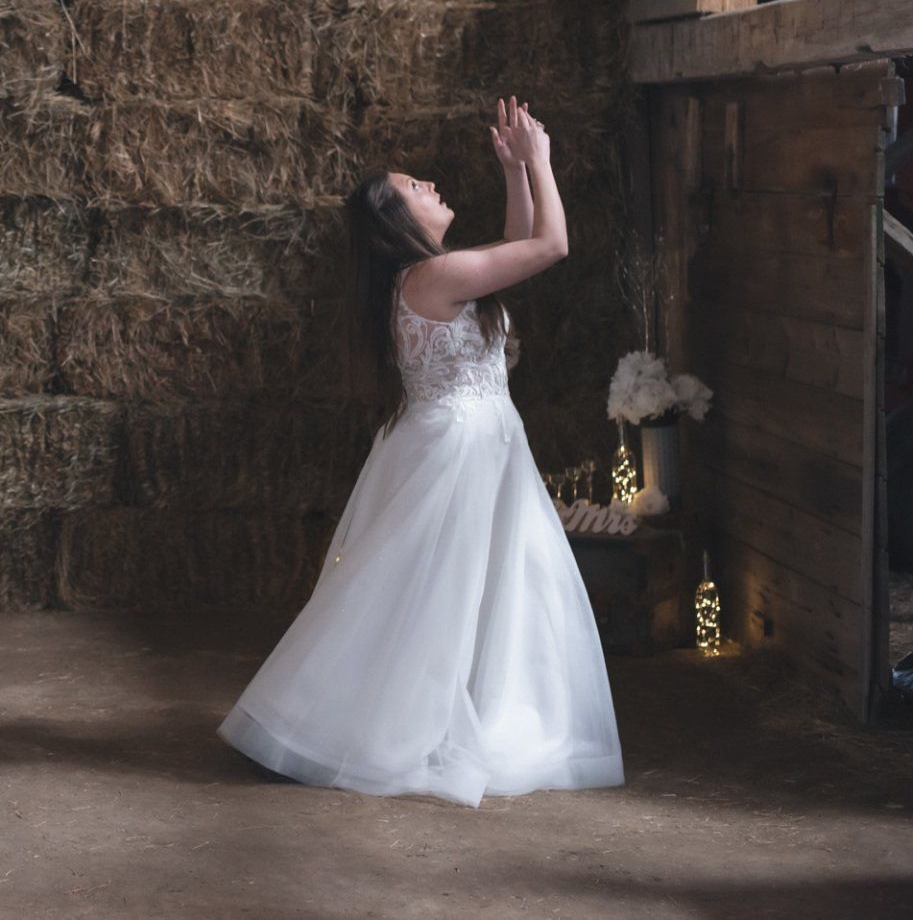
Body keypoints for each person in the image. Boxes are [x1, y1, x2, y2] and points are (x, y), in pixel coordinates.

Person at [218, 99, 623, 805]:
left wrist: (514, 176)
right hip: (460, 451)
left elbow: (516, 250)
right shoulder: (432, 279)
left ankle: (391, 713)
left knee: (463, 588)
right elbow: (550, 248)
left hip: (476, 441)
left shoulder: (437, 274)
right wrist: (540, 161)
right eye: (414, 188)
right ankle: (358, 725)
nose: (431, 187)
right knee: (434, 592)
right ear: (395, 222)